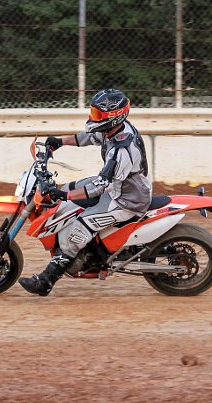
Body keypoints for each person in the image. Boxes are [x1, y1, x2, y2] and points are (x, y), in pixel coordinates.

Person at [19, 88, 153, 296]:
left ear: (113, 116)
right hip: (118, 188)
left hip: (126, 200)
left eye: (97, 114)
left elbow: (100, 185)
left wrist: (65, 196)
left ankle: (47, 280)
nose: (93, 117)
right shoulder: (115, 129)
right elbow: (89, 137)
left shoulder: (122, 149)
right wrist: (59, 142)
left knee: (77, 230)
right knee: (68, 190)